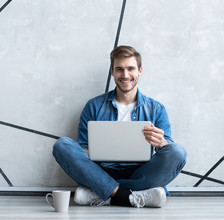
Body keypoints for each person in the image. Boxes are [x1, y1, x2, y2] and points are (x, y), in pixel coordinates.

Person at [53, 45, 186, 208]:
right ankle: (134, 196)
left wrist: (161, 143)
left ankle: (104, 192)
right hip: (101, 171)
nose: (125, 75)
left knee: (178, 151)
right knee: (62, 145)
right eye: (119, 69)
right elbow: (82, 150)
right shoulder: (94, 106)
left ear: (140, 70)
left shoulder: (156, 109)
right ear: (112, 72)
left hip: (142, 173)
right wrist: (95, 150)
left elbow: (168, 151)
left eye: (131, 68)